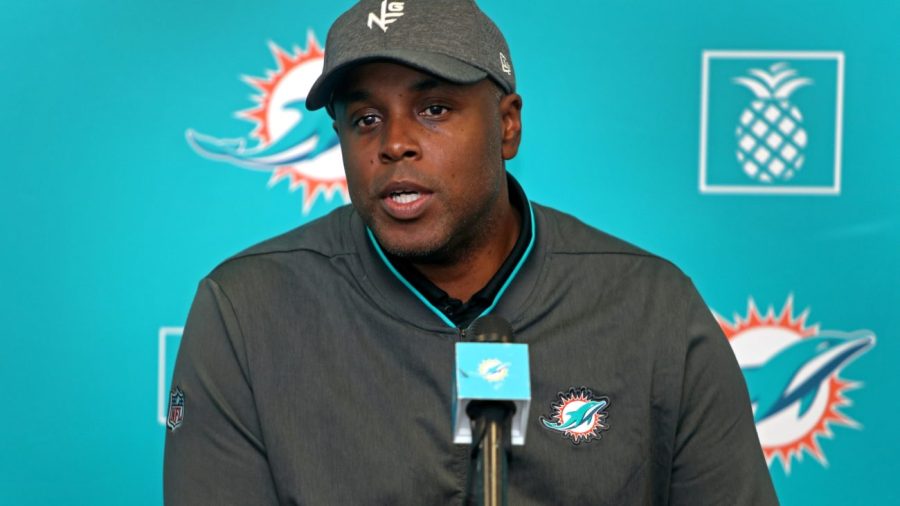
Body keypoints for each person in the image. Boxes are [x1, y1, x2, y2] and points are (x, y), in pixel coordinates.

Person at [164, 1, 778, 504]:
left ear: (507, 125)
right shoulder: (247, 312)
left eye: (434, 109)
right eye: (366, 118)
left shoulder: (652, 308)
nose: (395, 143)